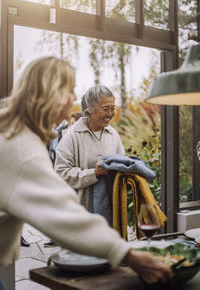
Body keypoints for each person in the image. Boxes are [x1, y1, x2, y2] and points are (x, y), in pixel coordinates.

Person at [0, 56, 172, 285]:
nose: (74, 98)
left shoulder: (11, 133)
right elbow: (60, 213)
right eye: (70, 90)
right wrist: (129, 255)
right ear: (52, 93)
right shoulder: (20, 146)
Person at [55, 85, 124, 215]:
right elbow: (60, 174)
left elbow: (121, 161)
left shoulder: (113, 134)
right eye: (105, 109)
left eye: (112, 108)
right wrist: (93, 173)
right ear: (89, 111)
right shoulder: (72, 136)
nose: (110, 113)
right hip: (79, 214)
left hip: (111, 211)